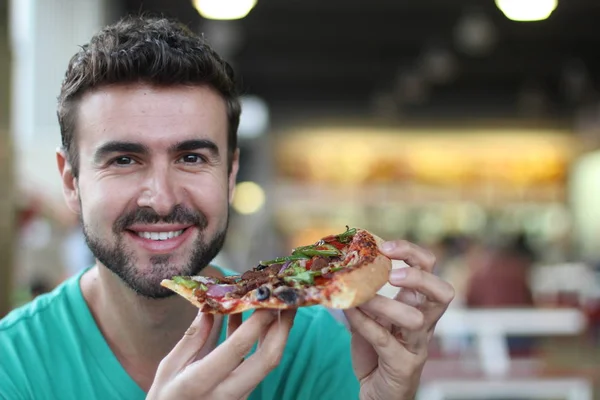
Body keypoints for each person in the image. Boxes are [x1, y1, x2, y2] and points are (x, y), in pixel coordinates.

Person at [0, 16, 454, 400]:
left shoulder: (318, 348)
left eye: (191, 158)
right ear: (70, 181)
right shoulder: (12, 367)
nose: (161, 197)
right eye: (124, 160)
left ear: (231, 174)